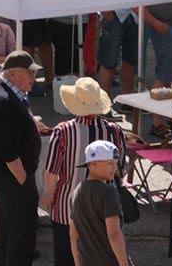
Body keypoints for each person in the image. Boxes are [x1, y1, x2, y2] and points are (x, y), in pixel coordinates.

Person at [42, 78, 127, 266]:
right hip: (104, 212)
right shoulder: (115, 132)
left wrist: (49, 194)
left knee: (65, 258)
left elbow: (51, 172)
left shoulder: (62, 131)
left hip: (66, 208)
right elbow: (120, 171)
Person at [0, 50, 44, 266]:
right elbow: (7, 151)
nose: (33, 78)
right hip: (12, 174)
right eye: (30, 74)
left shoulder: (11, 92)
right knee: (22, 232)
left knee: (10, 226)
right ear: (13, 74)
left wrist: (34, 126)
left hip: (10, 174)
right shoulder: (4, 101)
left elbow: (16, 124)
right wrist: (24, 182)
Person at [69, 140, 133, 266]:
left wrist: (77, 263)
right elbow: (114, 234)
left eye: (116, 163)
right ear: (93, 164)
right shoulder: (108, 192)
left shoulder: (76, 192)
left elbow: (73, 235)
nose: (114, 168)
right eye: (110, 163)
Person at [141, 2, 172, 137]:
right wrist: (156, 24)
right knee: (164, 77)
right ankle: (157, 124)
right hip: (165, 28)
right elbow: (136, 3)